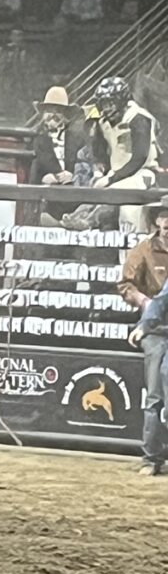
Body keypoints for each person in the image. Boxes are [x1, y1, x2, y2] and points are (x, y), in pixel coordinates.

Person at [119, 197, 168, 475]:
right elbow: (125, 284)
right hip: (155, 330)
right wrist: (143, 302)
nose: (167, 222)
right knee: (155, 396)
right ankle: (151, 458)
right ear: (156, 221)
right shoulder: (143, 250)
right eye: (163, 217)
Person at [89, 76, 160, 229]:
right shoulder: (102, 122)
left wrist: (111, 179)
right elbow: (98, 151)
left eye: (110, 103)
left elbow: (139, 157)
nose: (107, 108)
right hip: (116, 174)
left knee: (125, 203)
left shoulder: (139, 118)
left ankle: (91, 219)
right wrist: (98, 171)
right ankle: (79, 217)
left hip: (143, 173)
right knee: (95, 189)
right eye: (103, 104)